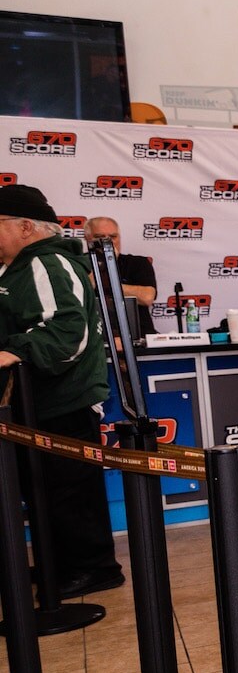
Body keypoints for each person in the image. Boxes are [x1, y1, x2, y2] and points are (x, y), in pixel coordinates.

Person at [0, 185, 124, 597]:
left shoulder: (48, 262)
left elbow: (68, 332)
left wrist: (14, 351)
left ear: (25, 226)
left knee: (70, 490)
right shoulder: (16, 267)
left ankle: (94, 568)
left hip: (63, 400)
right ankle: (59, 565)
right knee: (42, 491)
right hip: (31, 403)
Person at [84, 216, 158, 339]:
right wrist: (102, 265)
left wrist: (103, 281)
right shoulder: (77, 264)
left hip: (138, 337)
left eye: (113, 236)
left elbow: (147, 297)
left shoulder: (138, 263)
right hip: (93, 339)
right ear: (87, 238)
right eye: (100, 237)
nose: (107, 241)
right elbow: (76, 295)